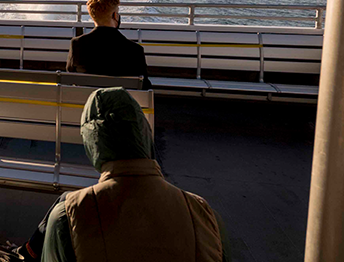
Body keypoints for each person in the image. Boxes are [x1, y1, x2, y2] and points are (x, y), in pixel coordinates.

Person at [19, 88, 228, 262]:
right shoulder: (204, 214)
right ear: (144, 134)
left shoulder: (68, 217)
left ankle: (25, 252)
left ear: (91, 144)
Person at [67, 0, 151, 90]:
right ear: (115, 15)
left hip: (87, 103)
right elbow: (144, 86)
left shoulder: (77, 44)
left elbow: (71, 76)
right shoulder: (134, 50)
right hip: (120, 104)